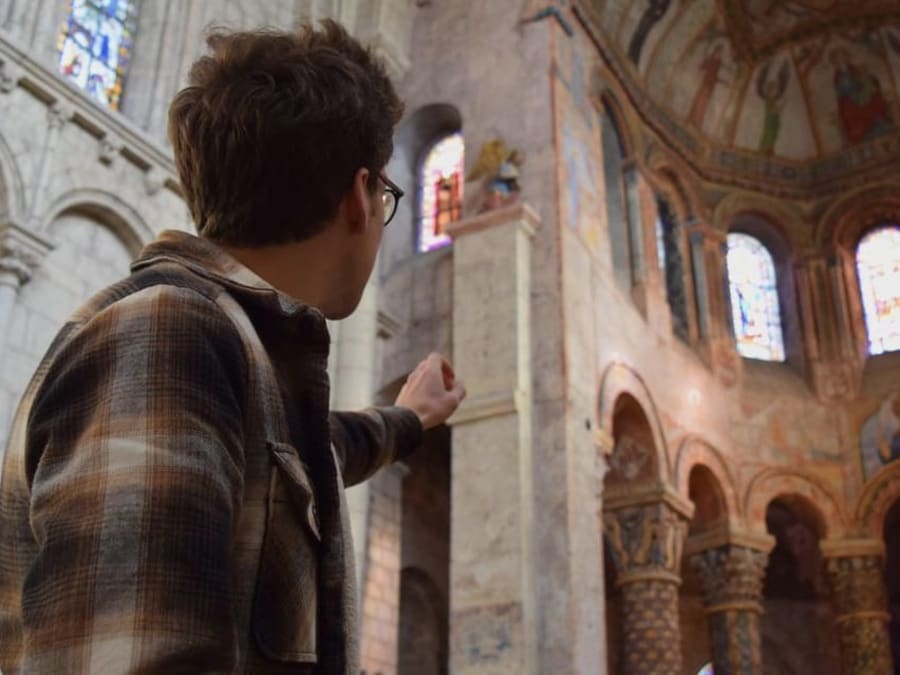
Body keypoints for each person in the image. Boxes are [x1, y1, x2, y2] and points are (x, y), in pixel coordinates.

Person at [0, 20, 465, 674]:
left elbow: (308, 451)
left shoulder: (224, 351)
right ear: (359, 197)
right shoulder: (166, 334)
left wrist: (409, 419)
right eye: (388, 193)